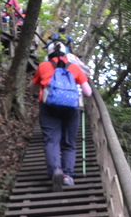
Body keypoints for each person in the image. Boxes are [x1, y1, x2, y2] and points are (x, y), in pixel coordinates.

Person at [31, 42, 92, 190]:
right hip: (71, 109)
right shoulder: (74, 67)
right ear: (65, 54)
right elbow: (88, 92)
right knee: (69, 143)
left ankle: (55, 170)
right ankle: (67, 175)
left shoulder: (43, 66)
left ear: (49, 54)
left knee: (51, 141)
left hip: (48, 107)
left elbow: (33, 88)